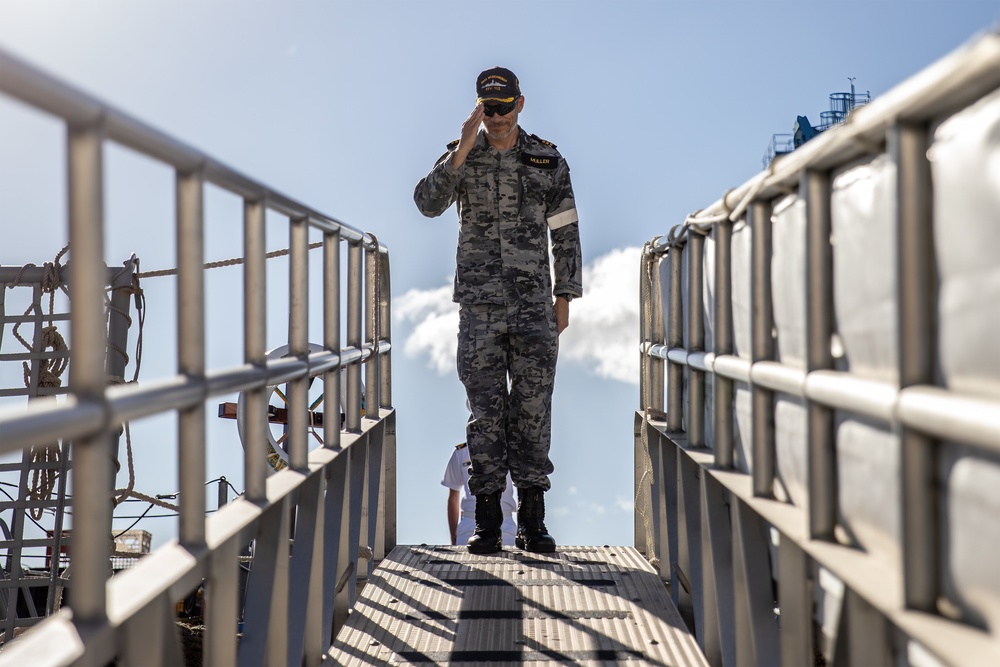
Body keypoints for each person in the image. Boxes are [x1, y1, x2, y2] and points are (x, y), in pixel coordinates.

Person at [414, 67, 583, 554]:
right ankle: (487, 520)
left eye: (505, 107)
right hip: (480, 306)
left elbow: (566, 232)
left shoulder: (547, 160)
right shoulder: (462, 155)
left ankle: (531, 519)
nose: (498, 117)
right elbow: (426, 204)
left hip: (533, 306)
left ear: (520, 104)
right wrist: (461, 150)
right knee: (485, 412)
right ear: (477, 108)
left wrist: (564, 296)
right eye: (489, 108)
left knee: (532, 409)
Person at [442, 442, 517, 547]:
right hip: (470, 525)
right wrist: (453, 537)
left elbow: (525, 484)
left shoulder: (511, 448)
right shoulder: (461, 452)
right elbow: (453, 497)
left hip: (505, 524)